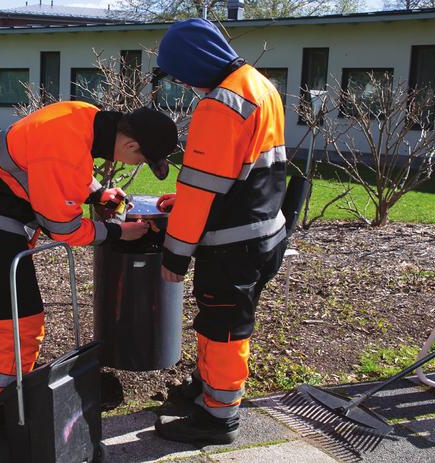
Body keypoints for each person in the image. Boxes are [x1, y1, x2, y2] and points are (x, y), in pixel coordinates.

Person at [0, 100, 178, 431]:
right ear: (129, 144)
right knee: (22, 320)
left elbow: (65, 168)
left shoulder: (84, 116)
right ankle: (3, 408)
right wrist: (119, 233)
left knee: (2, 310)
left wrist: (98, 194)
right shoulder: (65, 150)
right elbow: (66, 230)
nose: (138, 162)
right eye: (142, 157)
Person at [152, 18, 289, 444]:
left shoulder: (219, 105)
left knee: (224, 327)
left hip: (233, 244)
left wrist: (175, 254)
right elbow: (240, 170)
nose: (182, 82)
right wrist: (197, 205)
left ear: (194, 64)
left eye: (180, 74)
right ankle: (206, 389)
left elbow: (198, 188)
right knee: (219, 318)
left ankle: (218, 417)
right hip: (265, 231)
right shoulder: (258, 86)